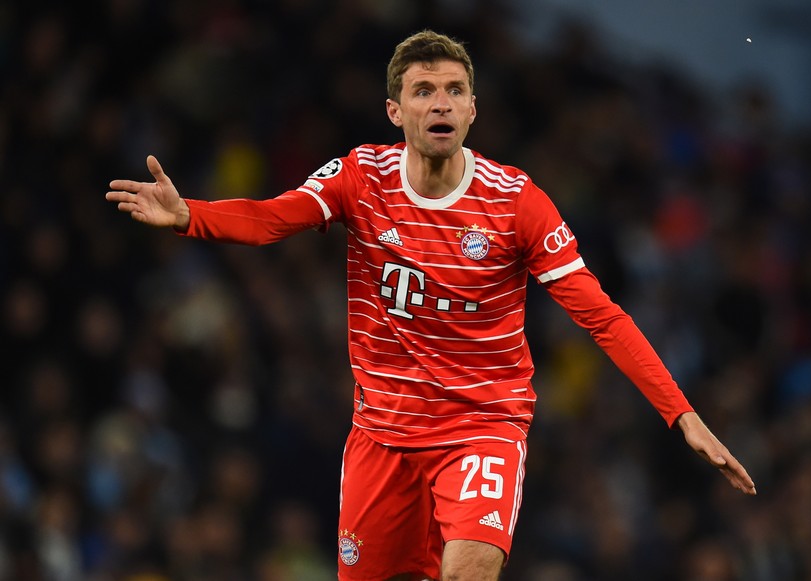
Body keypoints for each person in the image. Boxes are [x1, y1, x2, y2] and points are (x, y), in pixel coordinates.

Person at [107, 29, 756, 581]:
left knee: (466, 567)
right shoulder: (361, 178)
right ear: (396, 110)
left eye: (452, 91)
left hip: (482, 425)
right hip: (381, 438)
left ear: (473, 109)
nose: (438, 103)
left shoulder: (516, 202)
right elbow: (276, 218)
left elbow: (600, 314)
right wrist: (191, 214)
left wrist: (681, 413)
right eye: (423, 91)